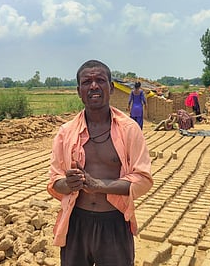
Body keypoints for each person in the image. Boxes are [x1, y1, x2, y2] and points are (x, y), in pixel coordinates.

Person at [47, 59, 153, 266]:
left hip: (114, 222)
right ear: (79, 91)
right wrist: (68, 184)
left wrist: (98, 185)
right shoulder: (65, 133)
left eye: (100, 80)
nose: (94, 86)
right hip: (76, 222)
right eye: (87, 82)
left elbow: (143, 180)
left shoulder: (129, 130)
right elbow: (55, 180)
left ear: (111, 87)